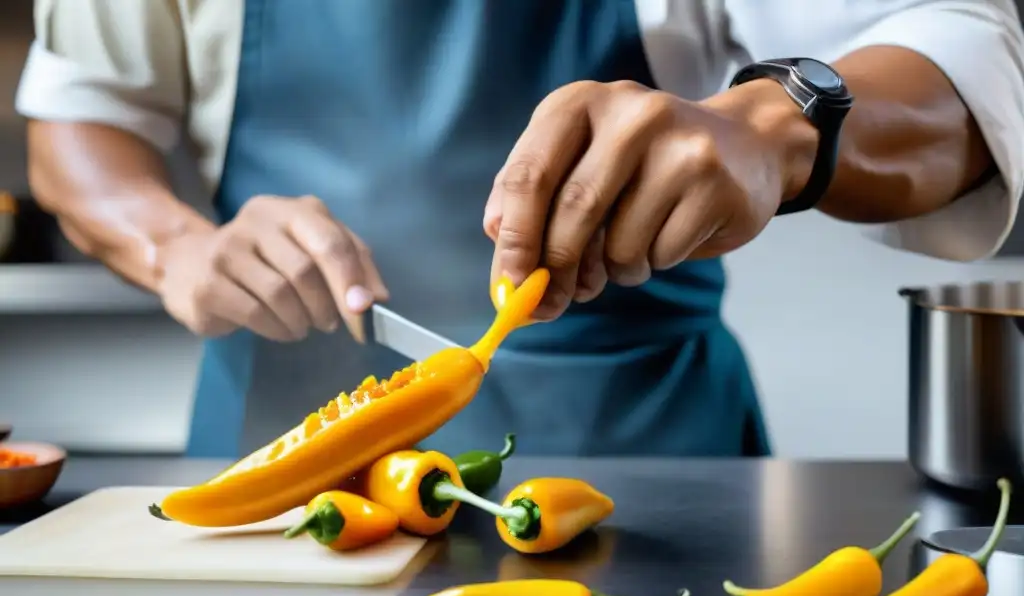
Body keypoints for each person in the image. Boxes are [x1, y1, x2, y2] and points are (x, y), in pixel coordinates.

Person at [16, 0, 1024, 460]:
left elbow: (951, 51)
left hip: (651, 470)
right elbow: (84, 112)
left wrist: (771, 126)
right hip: (269, 469)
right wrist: (176, 247)